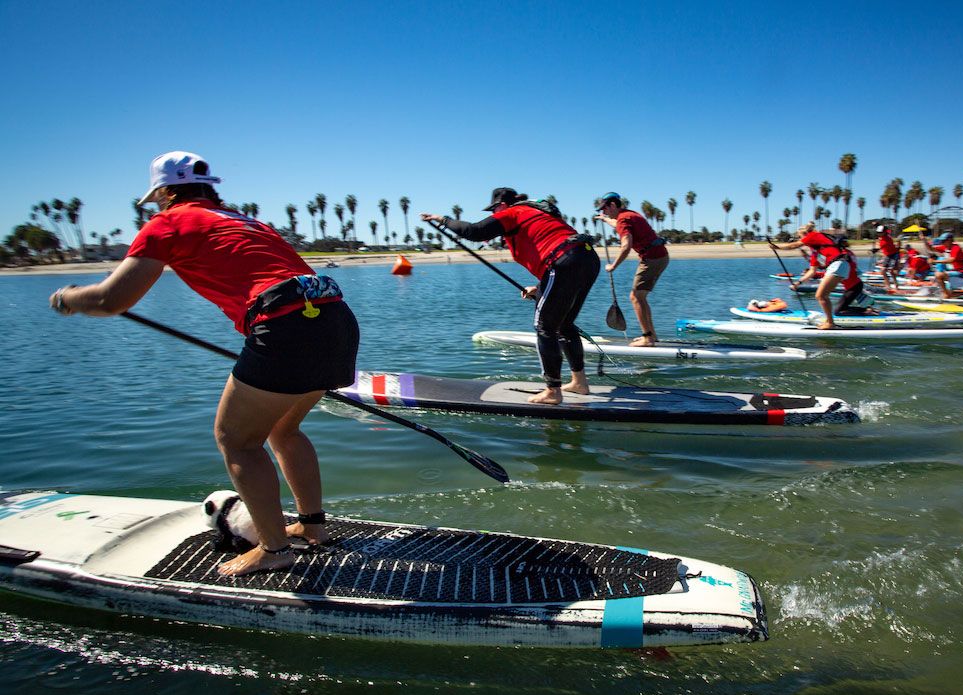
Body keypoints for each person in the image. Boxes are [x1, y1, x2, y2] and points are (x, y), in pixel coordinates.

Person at [48, 151, 359, 577]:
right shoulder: (241, 220)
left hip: (285, 323)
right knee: (283, 429)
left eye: (157, 195)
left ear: (164, 191)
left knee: (235, 439)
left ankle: (274, 550)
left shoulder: (168, 222)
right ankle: (312, 528)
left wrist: (67, 298)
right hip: (334, 317)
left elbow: (110, 300)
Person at [422, 188, 599, 404]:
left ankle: (553, 391)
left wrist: (443, 220)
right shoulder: (537, 214)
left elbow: (475, 231)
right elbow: (558, 246)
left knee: (545, 327)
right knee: (564, 324)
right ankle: (579, 383)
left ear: (503, 204)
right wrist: (540, 286)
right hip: (586, 258)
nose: (494, 213)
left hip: (563, 262)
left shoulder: (513, 213)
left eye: (495, 208)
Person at [594, 192, 668, 347]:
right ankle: (652, 335)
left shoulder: (623, 219)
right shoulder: (630, 215)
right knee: (640, 297)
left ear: (613, 205)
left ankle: (648, 338)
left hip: (652, 259)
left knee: (635, 297)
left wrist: (613, 266)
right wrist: (604, 219)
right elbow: (617, 224)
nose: (604, 211)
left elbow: (626, 246)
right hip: (659, 256)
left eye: (605, 209)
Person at [772, 222, 872, 329]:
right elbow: (812, 271)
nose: (801, 240)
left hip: (839, 263)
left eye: (800, 237)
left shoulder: (813, 235)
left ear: (804, 234)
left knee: (821, 295)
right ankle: (830, 321)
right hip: (839, 265)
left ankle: (830, 323)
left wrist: (778, 247)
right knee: (822, 296)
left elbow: (795, 245)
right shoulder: (816, 252)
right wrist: (798, 283)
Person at [924, 232, 963, 298]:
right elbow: (931, 249)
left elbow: (951, 260)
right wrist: (925, 241)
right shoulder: (945, 248)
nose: (942, 243)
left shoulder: (956, 248)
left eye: (943, 241)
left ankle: (946, 294)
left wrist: (935, 261)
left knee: (939, 275)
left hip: (959, 272)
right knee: (938, 275)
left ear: (949, 240)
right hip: (951, 272)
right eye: (941, 241)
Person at [875, 225, 901, 292]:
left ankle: (896, 286)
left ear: (884, 232)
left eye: (880, 232)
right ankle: (888, 286)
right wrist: (876, 224)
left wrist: (876, 249)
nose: (879, 234)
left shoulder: (887, 239)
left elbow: (883, 245)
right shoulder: (882, 237)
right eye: (878, 232)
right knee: (883, 271)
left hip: (893, 254)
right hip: (887, 255)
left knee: (891, 271)